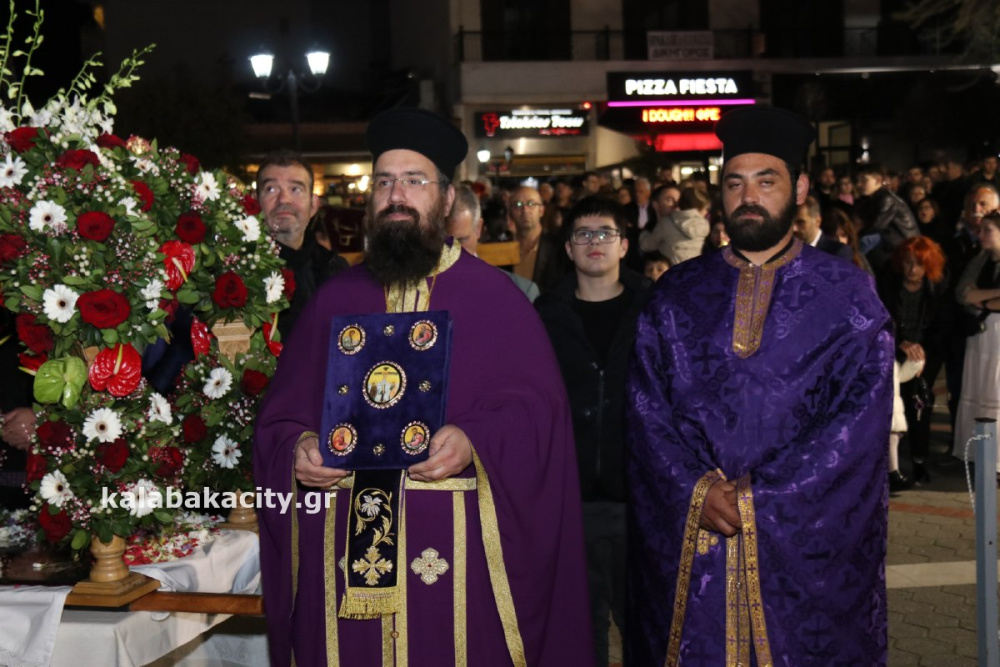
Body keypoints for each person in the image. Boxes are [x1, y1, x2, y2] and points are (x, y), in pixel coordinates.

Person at [254, 107, 593, 667]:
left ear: (447, 198)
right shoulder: (335, 299)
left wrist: (474, 441)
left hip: (459, 558)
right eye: (384, 182)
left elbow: (539, 416)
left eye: (414, 181)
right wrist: (298, 449)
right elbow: (279, 420)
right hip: (343, 558)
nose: (396, 196)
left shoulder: (496, 299)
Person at [626, 105, 893, 666]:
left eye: (765, 181)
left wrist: (759, 497)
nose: (748, 196)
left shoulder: (848, 297)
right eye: (734, 183)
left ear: (799, 189)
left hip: (805, 551)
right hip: (696, 533)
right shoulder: (675, 294)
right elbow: (647, 409)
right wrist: (695, 489)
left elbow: (856, 425)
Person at [534, 196, 650, 667]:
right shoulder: (546, 315)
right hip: (571, 502)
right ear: (568, 248)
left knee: (645, 627)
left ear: (624, 245)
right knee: (580, 633)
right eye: (583, 234)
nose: (594, 242)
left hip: (638, 502)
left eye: (605, 233)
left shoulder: (653, 308)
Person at [876, 237, 949, 487]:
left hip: (925, 356)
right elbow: (880, 321)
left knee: (920, 405)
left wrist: (924, 355)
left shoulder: (937, 288)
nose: (913, 269)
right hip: (892, 353)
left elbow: (942, 330)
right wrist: (900, 343)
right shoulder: (887, 285)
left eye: (919, 264)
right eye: (908, 263)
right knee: (892, 407)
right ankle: (890, 466)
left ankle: (919, 461)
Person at [256, 150, 349, 341]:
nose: (284, 199)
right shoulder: (237, 272)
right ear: (256, 203)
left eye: (295, 189)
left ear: (313, 205)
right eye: (271, 189)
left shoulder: (335, 270)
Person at [952, 211, 1000, 470]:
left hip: (998, 333)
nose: (981, 235)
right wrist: (990, 297)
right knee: (979, 387)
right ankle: (979, 454)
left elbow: (975, 296)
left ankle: (997, 460)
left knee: (996, 388)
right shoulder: (979, 259)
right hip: (980, 331)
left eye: (988, 230)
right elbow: (963, 294)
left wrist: (982, 298)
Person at [446, 184, 540, 302]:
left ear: (478, 229)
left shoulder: (521, 293)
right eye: (442, 242)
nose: (452, 250)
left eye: (461, 240)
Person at [510, 185, 567, 294]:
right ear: (510, 213)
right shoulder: (500, 249)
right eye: (518, 205)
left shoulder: (559, 247)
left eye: (531, 204)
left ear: (541, 210)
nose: (525, 210)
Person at [639, 187, 711, 266]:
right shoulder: (704, 225)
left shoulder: (666, 223)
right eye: (669, 200)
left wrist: (643, 233)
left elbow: (647, 245)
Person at [792, 196, 853, 261]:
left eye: (800, 222)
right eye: (791, 223)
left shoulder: (837, 252)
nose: (794, 228)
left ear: (817, 221)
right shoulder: (788, 251)